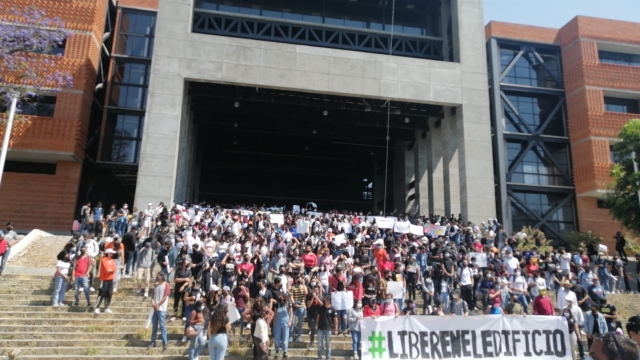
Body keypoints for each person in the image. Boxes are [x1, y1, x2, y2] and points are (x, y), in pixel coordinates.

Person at [149, 272, 170, 350]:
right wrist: (153, 304)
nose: (157, 277)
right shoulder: (156, 286)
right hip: (155, 309)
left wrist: (158, 304)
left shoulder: (166, 285)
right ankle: (152, 342)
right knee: (154, 326)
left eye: (158, 276)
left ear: (162, 276)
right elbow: (152, 297)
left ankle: (165, 342)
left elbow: (165, 297)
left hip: (162, 309)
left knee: (162, 326)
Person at [95, 248, 117, 314]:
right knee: (102, 293)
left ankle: (106, 307)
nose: (112, 254)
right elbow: (107, 270)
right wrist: (111, 270)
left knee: (109, 293)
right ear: (108, 253)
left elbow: (114, 269)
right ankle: (97, 307)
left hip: (110, 279)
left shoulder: (112, 260)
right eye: (110, 253)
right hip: (104, 279)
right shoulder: (104, 260)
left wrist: (111, 270)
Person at [316, 295, 338, 360]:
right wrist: (317, 324)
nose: (324, 301)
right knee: (320, 344)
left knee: (328, 344)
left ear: (328, 300)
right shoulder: (321, 308)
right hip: (320, 328)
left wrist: (336, 329)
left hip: (328, 329)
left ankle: (328, 358)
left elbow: (335, 319)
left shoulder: (333, 309)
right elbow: (318, 317)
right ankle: (319, 357)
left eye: (325, 300)